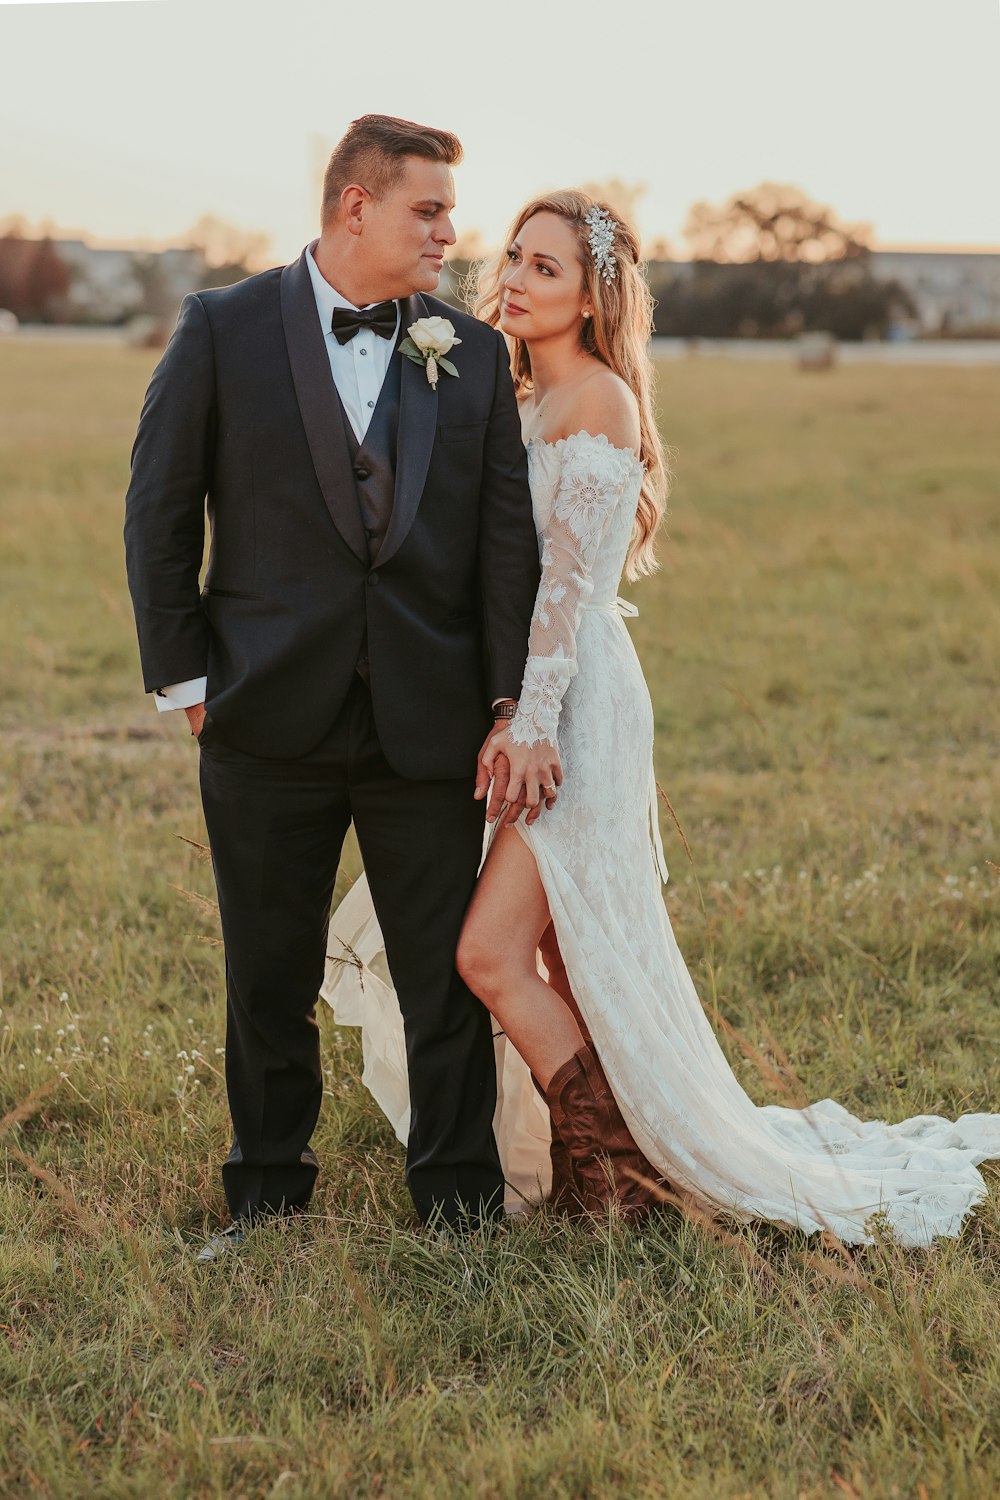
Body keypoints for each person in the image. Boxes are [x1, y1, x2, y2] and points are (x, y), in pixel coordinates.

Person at [324, 190, 1000, 1247]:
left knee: (490, 953)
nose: (513, 277)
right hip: (525, 698)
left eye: (546, 268)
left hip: (577, 700)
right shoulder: (510, 395)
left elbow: (563, 590)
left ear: (594, 299)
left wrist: (532, 723)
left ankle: (620, 1169)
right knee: (548, 953)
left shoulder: (598, 403)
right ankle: (607, 1151)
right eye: (514, 256)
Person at [124, 115, 554, 1261]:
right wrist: (189, 683)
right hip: (262, 714)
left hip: (429, 723)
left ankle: (458, 1212)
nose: (452, 234)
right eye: (429, 210)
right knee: (267, 973)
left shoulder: (465, 349)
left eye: (452, 213)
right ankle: (266, 1201)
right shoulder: (222, 329)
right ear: (353, 207)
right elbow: (159, 513)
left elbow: (505, 548)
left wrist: (506, 704)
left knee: (439, 979)